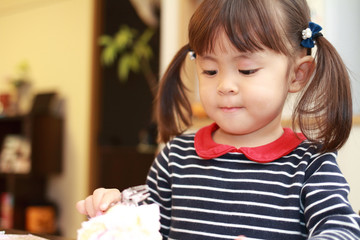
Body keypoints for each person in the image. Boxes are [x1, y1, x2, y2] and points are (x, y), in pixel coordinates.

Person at [76, 0, 360, 239]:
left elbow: (342, 232)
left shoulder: (312, 164)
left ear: (297, 75)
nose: (225, 85)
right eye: (210, 71)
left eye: (246, 70)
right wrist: (116, 211)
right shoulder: (175, 158)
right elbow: (145, 225)